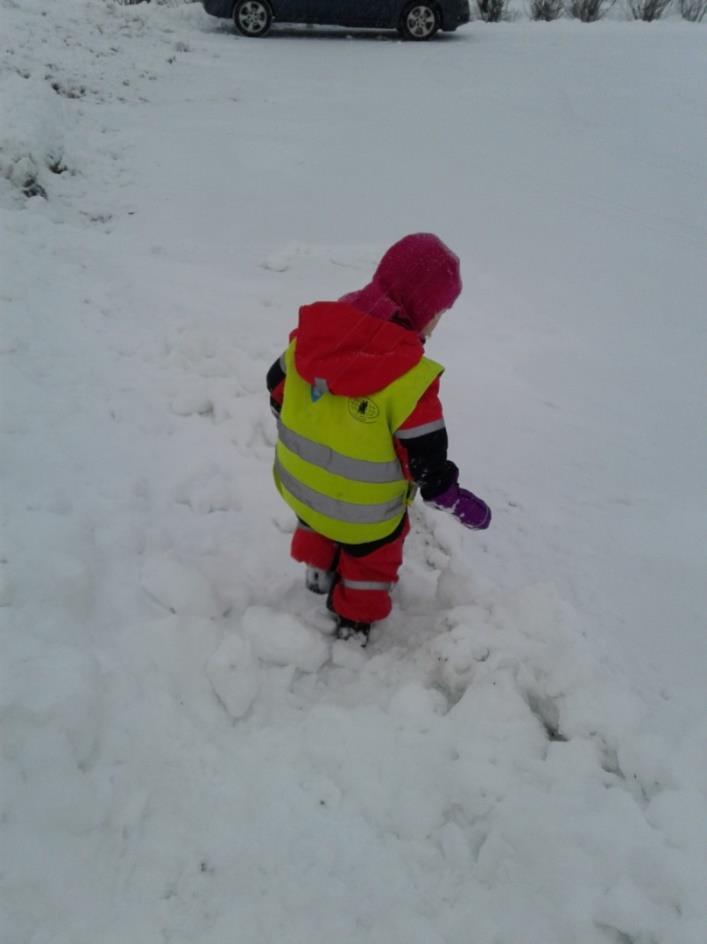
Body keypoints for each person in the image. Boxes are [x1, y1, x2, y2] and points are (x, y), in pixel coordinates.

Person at [266, 233, 491, 646]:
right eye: (439, 311)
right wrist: (453, 497)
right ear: (421, 307)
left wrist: (313, 425)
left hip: (297, 486)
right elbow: (427, 467)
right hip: (364, 518)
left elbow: (275, 386)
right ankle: (355, 620)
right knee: (373, 555)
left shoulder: (312, 337)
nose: (438, 322)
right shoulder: (410, 381)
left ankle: (318, 570)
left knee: (319, 516)